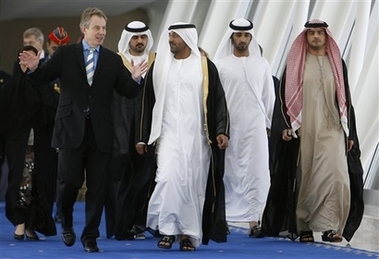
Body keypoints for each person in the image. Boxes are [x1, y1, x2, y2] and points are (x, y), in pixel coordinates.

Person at [18, 7, 148, 253]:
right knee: (69, 183)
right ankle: (66, 221)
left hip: (101, 133)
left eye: (104, 28)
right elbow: (42, 78)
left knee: (98, 188)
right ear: (84, 29)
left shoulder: (112, 59)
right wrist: (34, 68)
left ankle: (90, 237)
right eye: (97, 28)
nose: (101, 32)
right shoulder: (66, 54)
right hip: (70, 129)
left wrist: (134, 78)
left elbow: (127, 91)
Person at [260, 19, 364, 243]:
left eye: (320, 33)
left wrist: (350, 134)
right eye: (311, 33)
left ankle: (329, 227)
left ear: (327, 36)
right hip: (304, 129)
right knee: (306, 177)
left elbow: (346, 100)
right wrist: (286, 126)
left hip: (333, 128)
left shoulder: (337, 63)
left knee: (337, 176)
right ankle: (304, 226)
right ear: (305, 37)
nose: (316, 37)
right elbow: (284, 99)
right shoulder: (296, 63)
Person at [134, 22, 229, 251]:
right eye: (170, 35)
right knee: (167, 179)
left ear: (187, 38)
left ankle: (188, 234)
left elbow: (218, 102)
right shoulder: (160, 66)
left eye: (175, 35)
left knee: (192, 185)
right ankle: (167, 231)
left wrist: (221, 130)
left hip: (197, 138)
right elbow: (146, 103)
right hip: (166, 135)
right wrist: (141, 136)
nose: (171, 39)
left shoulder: (205, 67)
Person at [213, 18, 275, 237]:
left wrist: (268, 123)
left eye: (246, 35)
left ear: (251, 37)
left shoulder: (262, 64)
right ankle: (223, 218)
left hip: (256, 127)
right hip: (230, 128)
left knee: (257, 172)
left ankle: (254, 221)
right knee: (228, 172)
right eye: (238, 35)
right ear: (232, 37)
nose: (242, 39)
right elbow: (216, 99)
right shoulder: (220, 65)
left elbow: (269, 96)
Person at [1, 45, 57, 241]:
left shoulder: (46, 86)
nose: (26, 62)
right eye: (22, 58)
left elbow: (52, 110)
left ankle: (32, 224)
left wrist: (35, 76)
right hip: (18, 146)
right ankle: (20, 221)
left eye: (30, 58)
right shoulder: (10, 88)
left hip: (42, 146)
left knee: (39, 184)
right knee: (21, 182)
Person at [107, 20, 155, 240]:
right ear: (128, 39)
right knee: (119, 178)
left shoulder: (157, 62)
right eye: (135, 38)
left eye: (143, 37)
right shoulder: (115, 63)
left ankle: (141, 224)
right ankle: (118, 226)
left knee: (148, 176)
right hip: (120, 126)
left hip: (149, 128)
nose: (139, 41)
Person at [45, 26, 71, 224]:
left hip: (67, 127)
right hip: (45, 127)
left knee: (65, 175)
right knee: (46, 173)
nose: (58, 53)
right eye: (55, 49)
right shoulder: (44, 68)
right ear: (48, 47)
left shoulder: (73, 67)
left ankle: (61, 210)